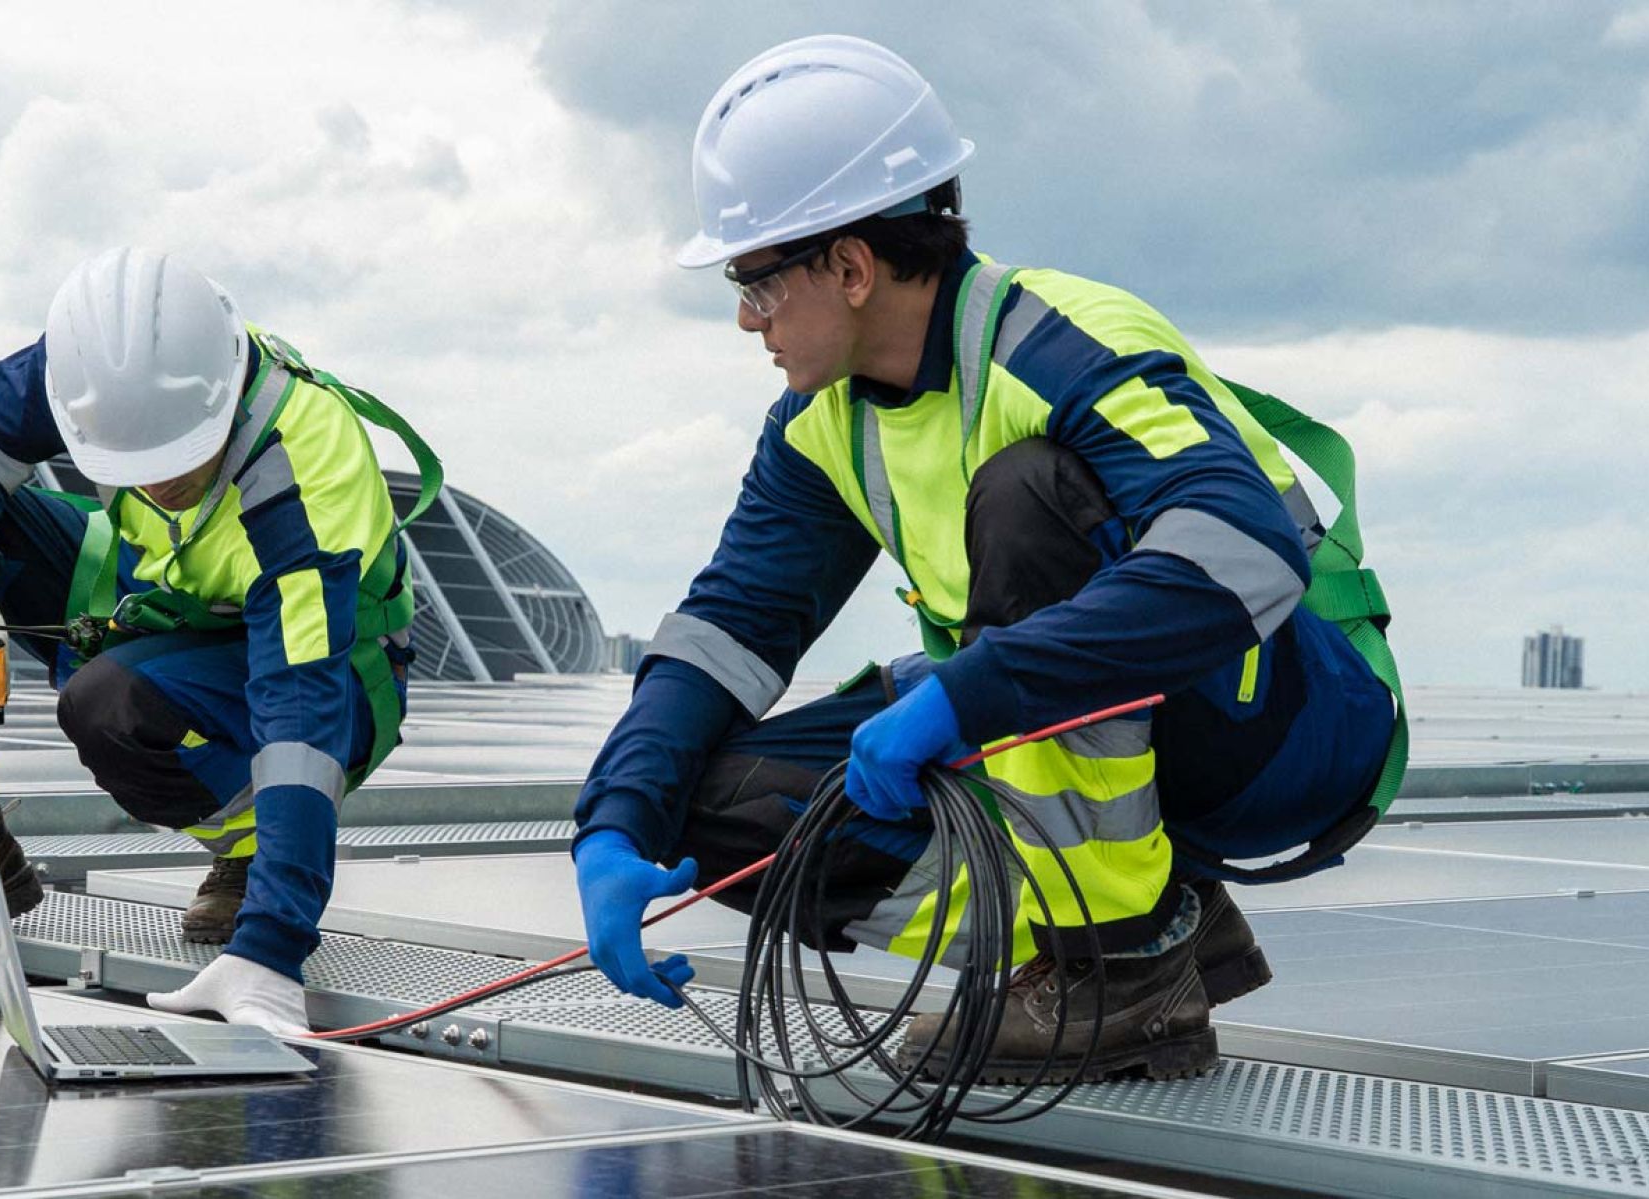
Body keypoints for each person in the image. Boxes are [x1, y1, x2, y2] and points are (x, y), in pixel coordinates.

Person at [571, 36, 1400, 1082]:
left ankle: (1116, 961)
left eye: (757, 282)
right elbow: (728, 625)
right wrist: (614, 820)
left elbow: (1243, 555)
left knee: (1025, 495)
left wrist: (966, 694)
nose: (746, 317)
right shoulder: (820, 423)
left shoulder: (1059, 343)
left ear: (852, 265)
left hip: (1288, 725)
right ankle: (1141, 915)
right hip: (1095, 728)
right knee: (719, 808)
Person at [0, 247, 436, 1035]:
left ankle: (249, 851)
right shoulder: (93, 366)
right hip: (151, 594)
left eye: (174, 463)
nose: (155, 484)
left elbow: (301, 710)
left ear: (220, 402)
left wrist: (274, 946)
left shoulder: (303, 479)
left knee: (112, 707)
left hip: (324, 675)